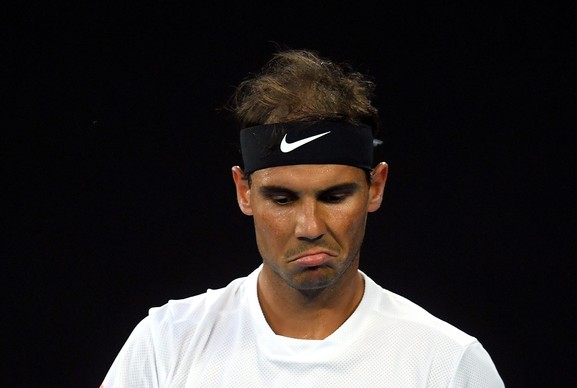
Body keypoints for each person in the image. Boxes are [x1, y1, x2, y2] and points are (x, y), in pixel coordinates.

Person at [100, 49, 504, 387]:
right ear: (244, 191)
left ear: (376, 187)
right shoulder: (166, 344)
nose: (310, 227)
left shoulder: (447, 364)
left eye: (334, 196)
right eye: (282, 199)